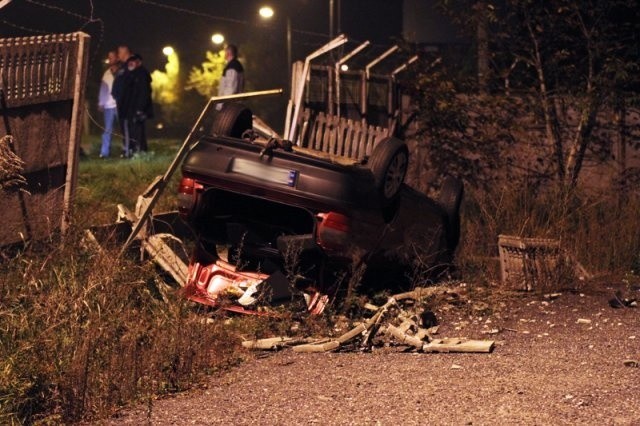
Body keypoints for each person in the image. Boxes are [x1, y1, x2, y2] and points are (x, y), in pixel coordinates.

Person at [119, 54, 153, 155]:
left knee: (137, 130)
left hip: (137, 108)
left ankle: (139, 150)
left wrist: (140, 108)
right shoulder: (129, 74)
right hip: (130, 109)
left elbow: (144, 93)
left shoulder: (141, 74)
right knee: (132, 130)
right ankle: (135, 150)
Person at [111, 45, 134, 156]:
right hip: (121, 102)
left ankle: (128, 150)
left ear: (125, 52)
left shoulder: (130, 65)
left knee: (127, 127)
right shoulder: (123, 67)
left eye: (119, 53)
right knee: (124, 126)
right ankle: (127, 148)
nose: (118, 55)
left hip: (127, 103)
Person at [97, 50, 119, 158]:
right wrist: (101, 103)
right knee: (107, 130)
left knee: (125, 129)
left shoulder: (121, 71)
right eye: (109, 57)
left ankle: (127, 151)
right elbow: (103, 89)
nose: (110, 59)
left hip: (120, 105)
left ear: (117, 58)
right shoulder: (106, 74)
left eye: (112, 57)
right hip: (109, 106)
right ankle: (104, 153)